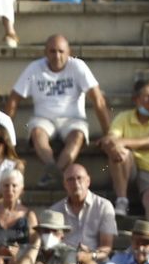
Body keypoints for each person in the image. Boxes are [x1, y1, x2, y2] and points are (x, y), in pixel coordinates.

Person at [7, 35, 109, 187]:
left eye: (61, 51)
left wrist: (108, 133)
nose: (57, 56)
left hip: (73, 119)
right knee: (36, 132)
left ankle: (52, 173)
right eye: (52, 51)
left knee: (77, 135)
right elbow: (14, 98)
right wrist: (5, 133)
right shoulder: (34, 68)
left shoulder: (78, 66)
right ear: (45, 53)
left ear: (69, 52)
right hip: (43, 119)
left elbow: (98, 99)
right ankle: (54, 170)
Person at [51, 163, 115, 264]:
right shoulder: (55, 210)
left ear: (88, 181)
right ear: (65, 184)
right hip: (65, 261)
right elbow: (50, 245)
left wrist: (89, 254)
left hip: (95, 262)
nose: (75, 183)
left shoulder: (104, 206)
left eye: (79, 178)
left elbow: (107, 247)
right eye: (70, 179)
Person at [102, 78, 149, 218]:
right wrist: (113, 144)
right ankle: (122, 201)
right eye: (147, 96)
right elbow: (111, 137)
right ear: (136, 99)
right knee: (118, 152)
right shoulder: (124, 117)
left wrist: (120, 142)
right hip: (129, 167)